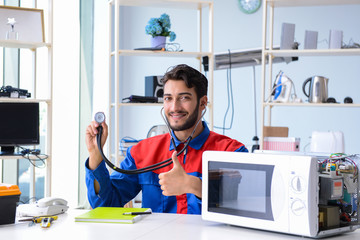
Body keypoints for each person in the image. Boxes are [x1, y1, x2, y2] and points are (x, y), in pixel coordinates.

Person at [85, 64, 248, 214]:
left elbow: (242, 207)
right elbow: (105, 205)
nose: (175, 107)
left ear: (203, 103)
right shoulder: (141, 152)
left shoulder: (232, 152)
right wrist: (96, 155)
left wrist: (194, 185)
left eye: (184, 98)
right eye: (168, 98)